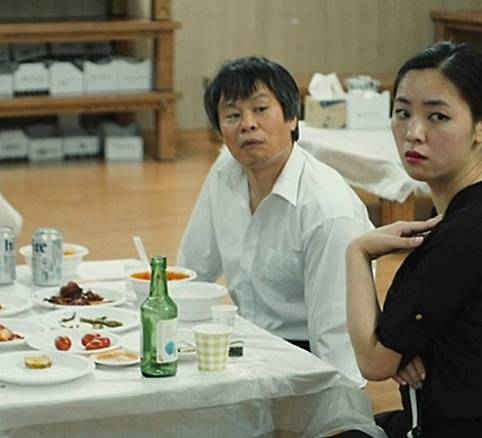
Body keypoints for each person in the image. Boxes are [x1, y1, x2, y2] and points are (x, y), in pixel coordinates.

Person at [177, 56, 373, 386]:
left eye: (260, 109)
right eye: (232, 115)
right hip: (244, 341)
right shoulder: (225, 172)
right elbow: (192, 271)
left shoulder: (327, 208)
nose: (247, 125)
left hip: (305, 355)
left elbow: (335, 337)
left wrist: (335, 405)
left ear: (292, 117)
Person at [346, 41, 482, 437]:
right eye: (403, 113)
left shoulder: (462, 233)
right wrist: (409, 344)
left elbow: (374, 362)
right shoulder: (459, 218)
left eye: (438, 116)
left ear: (479, 127)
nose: (413, 133)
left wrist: (358, 252)